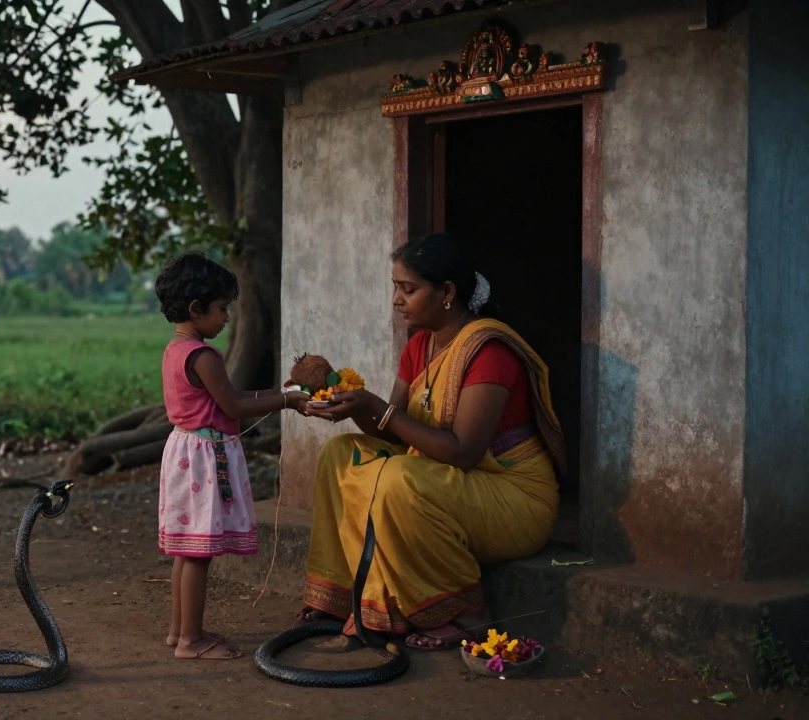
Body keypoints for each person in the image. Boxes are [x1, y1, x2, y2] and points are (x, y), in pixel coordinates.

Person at [299, 234, 566, 651]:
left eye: (408, 289)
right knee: (341, 454)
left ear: (446, 292)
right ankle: (350, 598)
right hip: (447, 481)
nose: (396, 300)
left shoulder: (489, 351)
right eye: (395, 288)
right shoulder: (419, 345)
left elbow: (462, 452)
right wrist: (355, 408)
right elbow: (393, 431)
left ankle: (467, 615)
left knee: (399, 478)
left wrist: (376, 406)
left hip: (512, 498)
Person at [154, 252, 310, 660]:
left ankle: (179, 631)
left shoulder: (177, 349)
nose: (226, 318)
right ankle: (191, 640)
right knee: (200, 556)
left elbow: (235, 398)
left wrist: (282, 392)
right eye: (222, 308)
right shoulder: (204, 356)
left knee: (187, 553)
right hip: (204, 460)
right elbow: (235, 406)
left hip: (184, 451)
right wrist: (287, 402)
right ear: (196, 308)